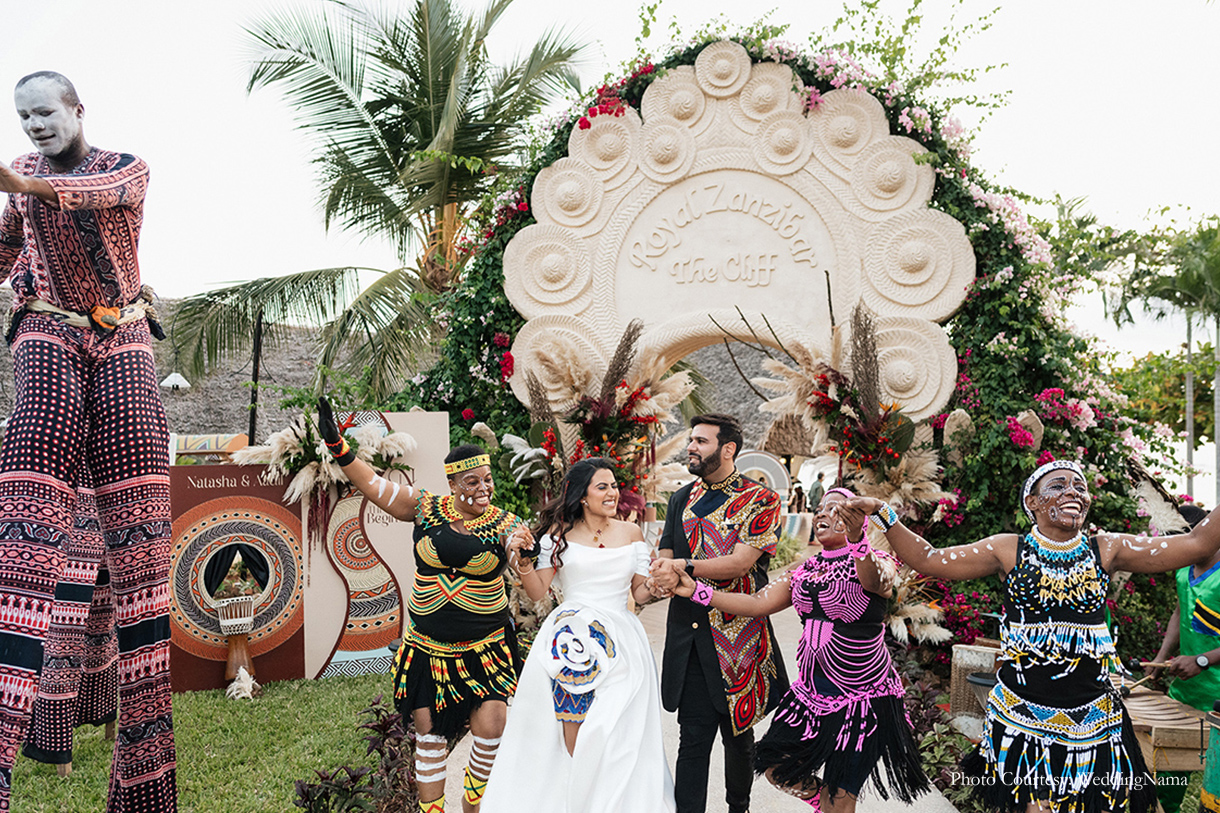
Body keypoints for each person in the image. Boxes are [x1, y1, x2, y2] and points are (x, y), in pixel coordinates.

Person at [840, 459, 1220, 813]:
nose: (1074, 492)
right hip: (1021, 716)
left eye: (1080, 487)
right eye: (1059, 485)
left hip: (1095, 721)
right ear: (1034, 502)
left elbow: (1198, 544)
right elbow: (929, 559)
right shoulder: (1008, 549)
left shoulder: (1107, 549)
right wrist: (882, 513)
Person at [0, 71, 175, 810]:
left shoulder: (122, 169)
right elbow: (7, 244)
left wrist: (26, 186)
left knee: (141, 550)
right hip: (46, 330)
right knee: (27, 520)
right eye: (23, 115)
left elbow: (98, 200)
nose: (36, 124)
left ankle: (142, 786)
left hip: (122, 334)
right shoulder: (21, 185)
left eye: (46, 111)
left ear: (77, 110)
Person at [656, 487, 929, 813]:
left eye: (835, 508)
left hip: (863, 697)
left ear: (856, 520)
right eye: (820, 509)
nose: (822, 514)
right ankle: (826, 802)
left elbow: (875, 582)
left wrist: (857, 542)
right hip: (812, 695)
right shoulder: (805, 568)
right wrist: (698, 591)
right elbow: (758, 603)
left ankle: (834, 804)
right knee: (774, 765)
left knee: (842, 802)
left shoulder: (879, 561)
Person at [317, 398, 530, 813]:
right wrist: (337, 445)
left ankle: (474, 805)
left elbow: (513, 547)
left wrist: (520, 548)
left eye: (488, 480)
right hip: (428, 651)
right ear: (453, 485)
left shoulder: (505, 522)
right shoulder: (425, 508)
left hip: (485, 650)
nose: (483, 489)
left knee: (491, 728)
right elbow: (374, 486)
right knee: (429, 738)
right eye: (473, 482)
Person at [480, 458, 675, 812]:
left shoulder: (631, 533)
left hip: (622, 645)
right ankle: (575, 798)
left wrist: (658, 586)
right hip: (568, 641)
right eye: (603, 486)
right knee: (574, 727)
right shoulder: (557, 536)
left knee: (615, 726)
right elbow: (538, 591)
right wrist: (523, 563)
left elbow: (640, 592)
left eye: (615, 485)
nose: (613, 492)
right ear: (582, 496)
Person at [651, 414, 788, 813]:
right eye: (691, 440)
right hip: (690, 638)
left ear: (727, 449)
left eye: (701, 441)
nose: (691, 447)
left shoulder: (761, 499)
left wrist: (682, 569)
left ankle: (738, 808)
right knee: (692, 739)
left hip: (740, 636)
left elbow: (740, 563)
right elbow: (667, 547)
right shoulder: (681, 498)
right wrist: (664, 568)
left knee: (738, 738)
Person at [23, 469, 119, 772]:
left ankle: (102, 724)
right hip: (71, 523)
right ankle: (57, 745)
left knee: (103, 630)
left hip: (106, 513)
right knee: (63, 637)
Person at [1151, 503, 1219, 813]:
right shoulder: (1183, 570)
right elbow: (1180, 612)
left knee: (1214, 794)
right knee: (1169, 773)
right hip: (1185, 692)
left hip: (1218, 700)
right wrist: (1162, 658)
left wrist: (1202, 660)